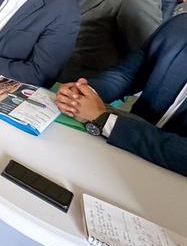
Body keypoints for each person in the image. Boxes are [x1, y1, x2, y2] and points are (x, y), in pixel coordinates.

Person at [56, 14, 187, 176]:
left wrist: (103, 119)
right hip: (118, 150)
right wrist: (84, 93)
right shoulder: (180, 26)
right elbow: (127, 74)